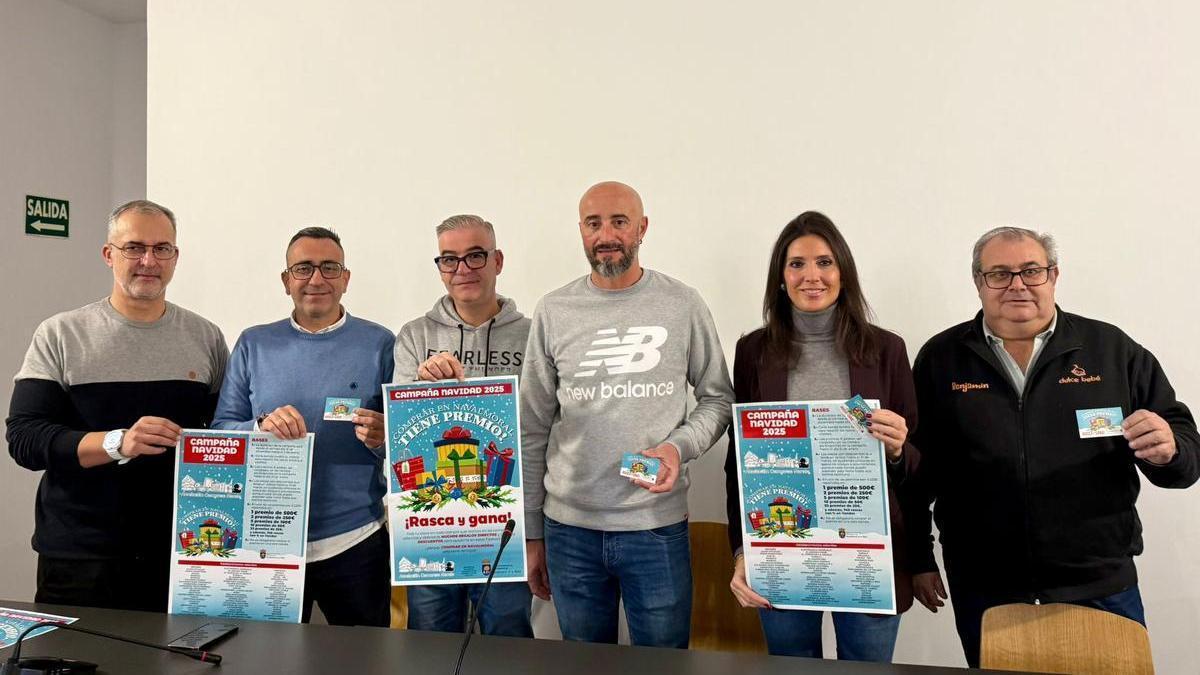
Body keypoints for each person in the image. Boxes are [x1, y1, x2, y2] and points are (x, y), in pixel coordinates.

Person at [905, 226, 1199, 667]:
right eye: (999, 273)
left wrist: (1170, 450)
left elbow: (1185, 454)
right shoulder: (942, 358)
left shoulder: (1110, 351)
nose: (1017, 284)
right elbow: (918, 468)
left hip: (1100, 583)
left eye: (1031, 271)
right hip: (986, 585)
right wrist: (918, 556)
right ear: (979, 282)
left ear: (1054, 276)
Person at [521, 181, 733, 647]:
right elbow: (531, 427)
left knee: (662, 665)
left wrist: (679, 448)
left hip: (655, 529)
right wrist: (533, 533)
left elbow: (718, 399)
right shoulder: (554, 310)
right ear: (580, 230)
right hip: (569, 532)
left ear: (642, 227)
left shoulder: (682, 304)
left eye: (619, 221)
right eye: (593, 223)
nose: (606, 234)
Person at [6, 200, 228, 612]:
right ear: (109, 255)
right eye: (134, 247)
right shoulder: (62, 334)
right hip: (80, 555)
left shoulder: (206, 337)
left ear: (175, 257)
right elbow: (24, 439)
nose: (149, 260)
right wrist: (117, 443)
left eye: (162, 248)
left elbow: (225, 434)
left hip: (181, 553)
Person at [724, 211, 919, 661]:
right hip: (781, 551)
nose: (811, 275)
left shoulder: (886, 349)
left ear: (843, 273)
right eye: (796, 264)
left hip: (869, 551)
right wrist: (742, 550)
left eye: (825, 262)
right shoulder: (753, 351)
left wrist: (895, 450)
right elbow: (741, 464)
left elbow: (918, 462)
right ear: (780, 277)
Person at [212, 227, 394, 627]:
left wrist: (384, 438)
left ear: (346, 279)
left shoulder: (380, 343)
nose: (317, 279)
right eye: (304, 268)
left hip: (356, 540)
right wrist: (259, 427)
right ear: (286, 281)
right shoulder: (253, 343)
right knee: (265, 661)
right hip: (267, 541)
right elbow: (221, 431)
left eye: (330, 268)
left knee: (365, 662)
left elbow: (404, 441)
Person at [393, 214, 534, 637]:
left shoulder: (533, 335)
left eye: (475, 256)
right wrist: (424, 386)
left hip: (508, 520)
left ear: (498, 260)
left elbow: (543, 426)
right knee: (432, 640)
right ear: (439, 268)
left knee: (508, 639)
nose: (462, 270)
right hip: (431, 525)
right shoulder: (414, 335)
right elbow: (403, 432)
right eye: (449, 260)